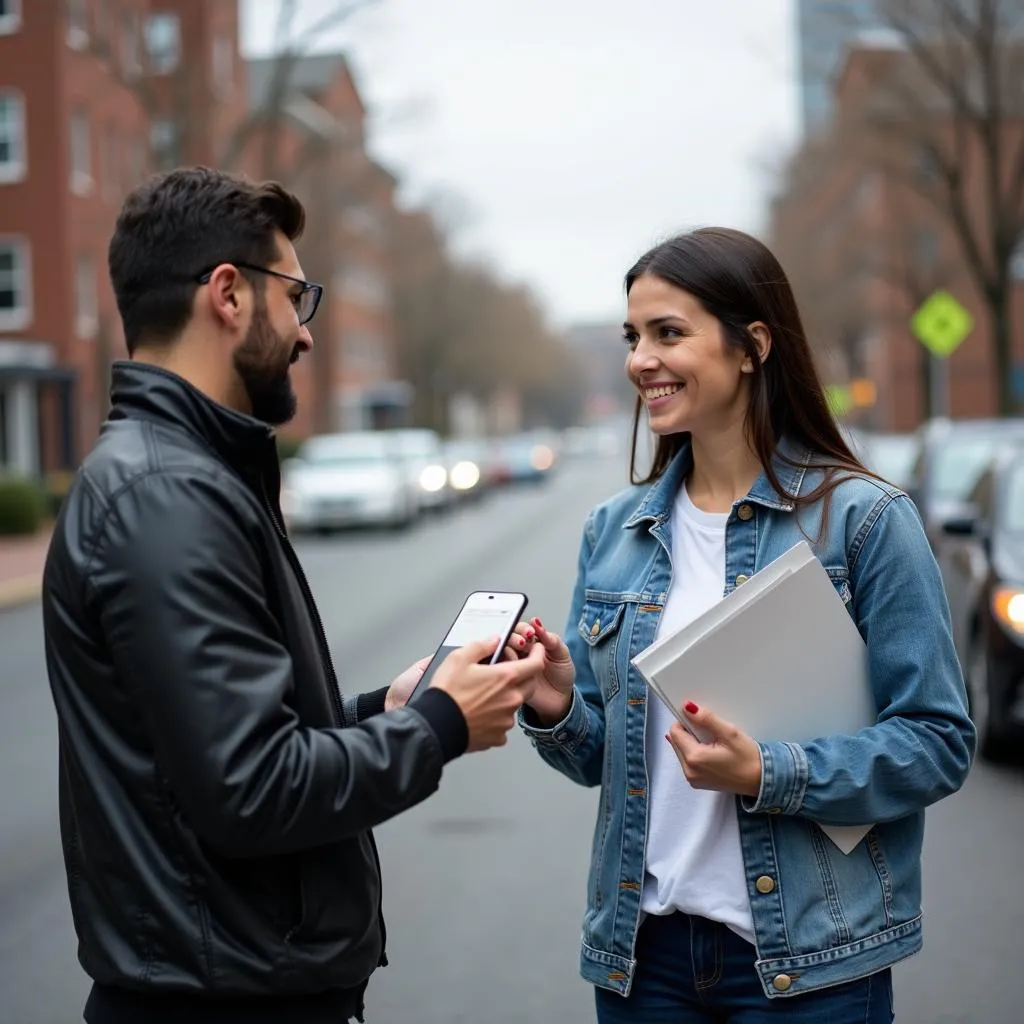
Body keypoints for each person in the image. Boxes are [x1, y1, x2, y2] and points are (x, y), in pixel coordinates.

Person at [41, 166, 545, 1024]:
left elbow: (208, 756)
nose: (306, 333)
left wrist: (386, 707)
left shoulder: (185, 475)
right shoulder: (168, 496)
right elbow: (252, 791)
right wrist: (440, 724)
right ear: (229, 296)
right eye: (296, 297)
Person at [510, 228, 975, 1023]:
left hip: (812, 967)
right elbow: (600, 762)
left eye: (668, 333)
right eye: (632, 337)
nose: (640, 361)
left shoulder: (862, 522)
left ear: (752, 346)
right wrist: (556, 708)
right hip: (643, 959)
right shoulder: (613, 533)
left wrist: (769, 772)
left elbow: (936, 743)